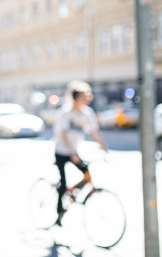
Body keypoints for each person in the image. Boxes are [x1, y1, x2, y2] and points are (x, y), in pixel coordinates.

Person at [52, 80, 108, 226]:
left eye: (87, 96)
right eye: (84, 96)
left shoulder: (87, 114)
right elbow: (63, 134)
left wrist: (104, 147)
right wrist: (72, 153)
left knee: (87, 174)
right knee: (63, 182)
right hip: (62, 151)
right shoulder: (66, 113)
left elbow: (94, 132)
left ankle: (73, 191)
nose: (87, 98)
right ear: (76, 98)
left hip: (74, 152)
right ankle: (59, 212)